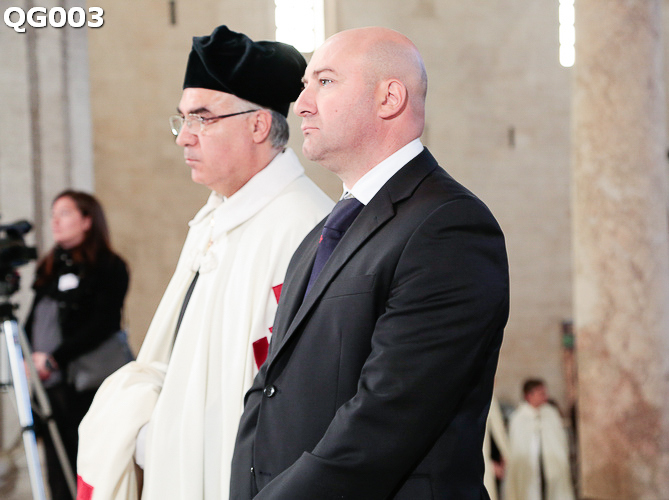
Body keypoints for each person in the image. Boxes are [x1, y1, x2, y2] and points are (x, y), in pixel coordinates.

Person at [229, 27, 510, 499]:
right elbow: (269, 390)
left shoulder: (449, 227)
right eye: (304, 85)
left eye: (324, 82)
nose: (301, 105)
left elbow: (386, 416)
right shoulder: (323, 232)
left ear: (389, 98)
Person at [76, 26, 333, 500]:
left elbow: (293, 402)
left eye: (202, 119)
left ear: (259, 126)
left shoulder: (302, 229)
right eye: (182, 120)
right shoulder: (216, 218)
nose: (184, 139)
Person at [25, 190, 129, 500]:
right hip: (50, 386)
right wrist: (27, 358)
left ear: (87, 220)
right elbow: (34, 319)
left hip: (87, 385)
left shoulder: (109, 266)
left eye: (65, 213)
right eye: (53, 214)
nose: (55, 221)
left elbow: (103, 323)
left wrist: (55, 358)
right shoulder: (50, 267)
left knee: (93, 467)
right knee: (58, 472)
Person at [503, 379, 574, 500]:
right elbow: (515, 448)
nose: (545, 397)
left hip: (551, 469)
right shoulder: (518, 418)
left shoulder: (551, 413)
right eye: (541, 393)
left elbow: (560, 442)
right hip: (529, 470)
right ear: (529, 395)